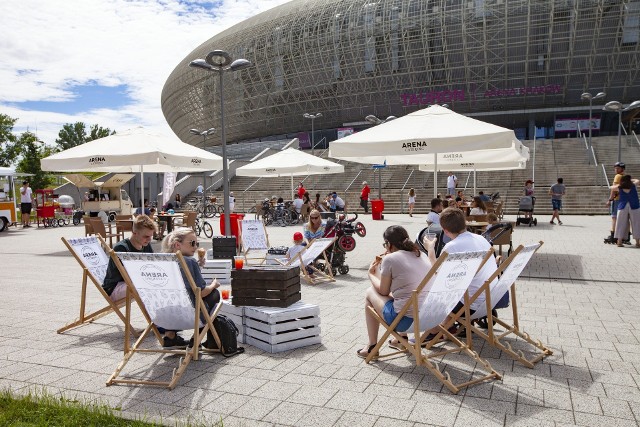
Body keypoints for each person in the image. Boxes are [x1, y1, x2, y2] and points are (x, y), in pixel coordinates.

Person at [356, 225, 432, 358]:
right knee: (399, 296)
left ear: (389, 244)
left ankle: (372, 346)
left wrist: (371, 274)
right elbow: (393, 290)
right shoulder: (421, 254)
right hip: (429, 318)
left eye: (385, 244)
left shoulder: (390, 259)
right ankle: (399, 340)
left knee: (369, 293)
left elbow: (383, 291)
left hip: (406, 321)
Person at [424, 207, 497, 314]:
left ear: (445, 231)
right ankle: (451, 325)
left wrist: (430, 251)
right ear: (465, 223)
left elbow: (439, 277)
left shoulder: (452, 247)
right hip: (493, 297)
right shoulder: (481, 239)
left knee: (426, 298)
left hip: (471, 303)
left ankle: (441, 328)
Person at [162, 227, 221, 349]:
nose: (195, 247)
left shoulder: (164, 261)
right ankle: (195, 339)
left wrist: (198, 265)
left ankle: (170, 337)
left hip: (166, 314)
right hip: (189, 314)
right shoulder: (190, 262)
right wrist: (214, 284)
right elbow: (202, 292)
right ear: (178, 244)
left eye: (197, 243)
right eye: (192, 243)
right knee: (214, 294)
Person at [612, 175, 640, 248]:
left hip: (622, 206)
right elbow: (637, 180)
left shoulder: (620, 187)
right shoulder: (633, 185)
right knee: (636, 223)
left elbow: (611, 187)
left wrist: (620, 183)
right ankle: (637, 242)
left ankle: (619, 241)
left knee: (621, 223)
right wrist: (631, 180)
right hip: (634, 205)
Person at [606, 162, 626, 243]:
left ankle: (613, 235)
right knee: (622, 218)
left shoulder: (617, 176)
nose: (616, 169)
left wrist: (610, 200)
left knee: (614, 217)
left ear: (622, 169)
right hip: (624, 199)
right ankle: (625, 236)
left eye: (618, 168)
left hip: (617, 199)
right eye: (615, 168)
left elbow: (613, 189)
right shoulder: (625, 177)